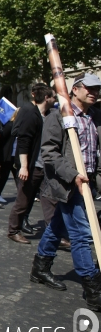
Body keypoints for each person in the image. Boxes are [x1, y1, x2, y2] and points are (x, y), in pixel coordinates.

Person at [30, 73, 101, 311]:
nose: (94, 93)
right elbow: (49, 153)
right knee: (81, 234)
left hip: (88, 182)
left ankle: (40, 268)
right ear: (76, 89)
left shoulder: (94, 116)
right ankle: (93, 288)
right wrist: (73, 176)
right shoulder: (58, 115)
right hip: (68, 183)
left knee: (58, 226)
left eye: (97, 90)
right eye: (89, 89)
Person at [6, 84, 56, 244]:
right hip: (32, 165)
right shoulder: (29, 112)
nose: (56, 100)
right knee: (23, 200)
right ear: (46, 98)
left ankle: (54, 233)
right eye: (53, 97)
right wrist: (24, 166)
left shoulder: (49, 114)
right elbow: (23, 140)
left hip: (46, 166)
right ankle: (13, 230)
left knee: (51, 201)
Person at [0, 108, 19, 204]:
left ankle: (22, 195)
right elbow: (2, 139)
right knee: (4, 175)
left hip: (15, 155)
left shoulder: (19, 125)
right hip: (7, 155)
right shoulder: (10, 125)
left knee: (18, 176)